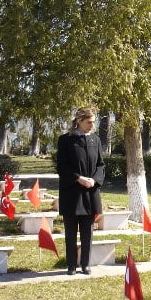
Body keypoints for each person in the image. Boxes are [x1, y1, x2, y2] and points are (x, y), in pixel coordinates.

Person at [56, 107, 105, 275]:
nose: (92, 125)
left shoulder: (95, 140)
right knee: (71, 232)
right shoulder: (65, 140)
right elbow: (62, 167)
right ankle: (71, 265)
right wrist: (78, 178)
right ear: (79, 121)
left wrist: (94, 180)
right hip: (72, 193)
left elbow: (100, 165)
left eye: (93, 122)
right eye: (89, 122)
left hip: (90, 192)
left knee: (87, 232)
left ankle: (85, 264)